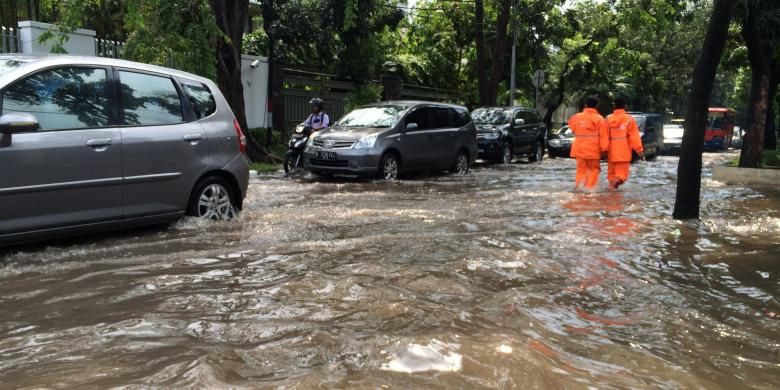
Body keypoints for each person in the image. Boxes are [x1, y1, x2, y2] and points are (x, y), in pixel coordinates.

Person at [568, 96, 609, 190]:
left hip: (579, 149)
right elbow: (603, 136)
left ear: (586, 105)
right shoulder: (599, 119)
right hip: (593, 150)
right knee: (594, 170)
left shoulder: (577, 117)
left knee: (581, 169)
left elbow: (571, 127)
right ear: (596, 106)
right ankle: (590, 188)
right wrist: (604, 150)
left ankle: (580, 187)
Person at [606, 95, 644, 191]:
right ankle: (612, 193)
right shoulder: (629, 119)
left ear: (614, 105)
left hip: (610, 153)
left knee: (611, 176)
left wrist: (602, 150)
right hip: (623, 153)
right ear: (625, 106)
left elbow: (603, 136)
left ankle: (610, 198)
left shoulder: (608, 119)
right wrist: (639, 151)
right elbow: (634, 137)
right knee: (622, 176)